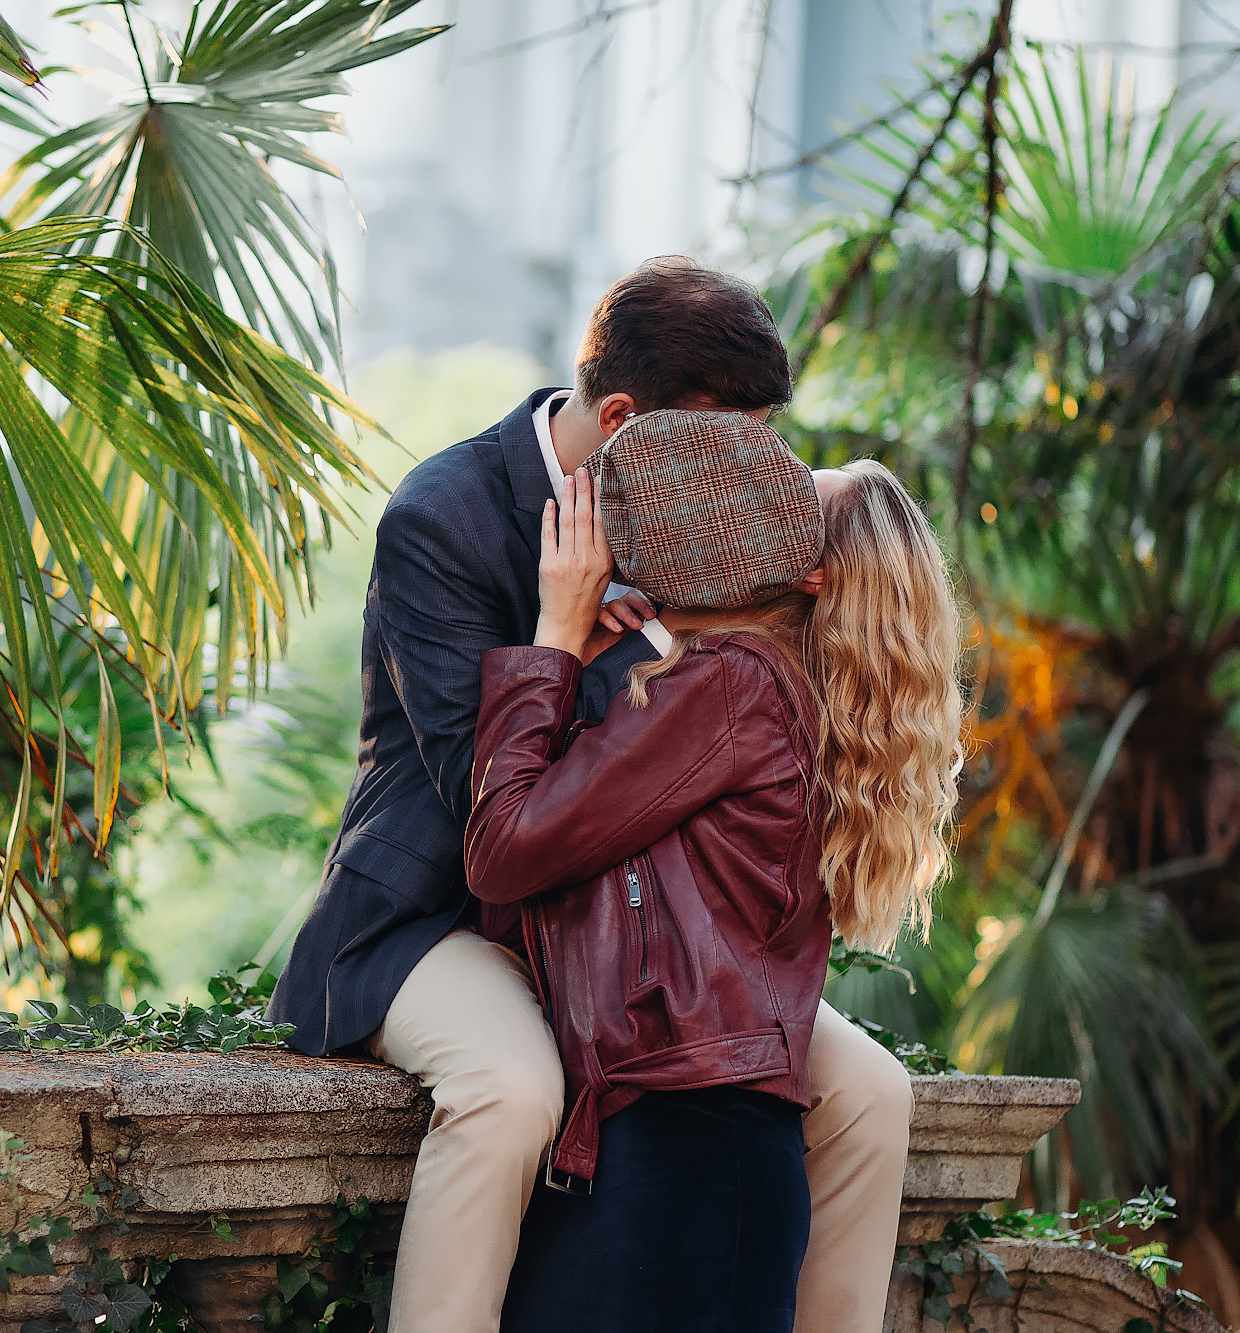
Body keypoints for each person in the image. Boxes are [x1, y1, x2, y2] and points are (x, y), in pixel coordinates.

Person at [267, 257, 917, 1333]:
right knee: (510, 1091)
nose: (748, 474)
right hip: (444, 914)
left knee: (869, 1091)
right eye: (725, 443)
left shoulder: (691, 524)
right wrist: (556, 638)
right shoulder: (446, 514)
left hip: (618, 921)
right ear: (622, 417)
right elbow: (482, 797)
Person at [468, 446, 964, 1331]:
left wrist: (551, 635)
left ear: (811, 571)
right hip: (694, 1152)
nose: (754, 500)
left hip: (681, 1160)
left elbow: (506, 850)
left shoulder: (734, 684)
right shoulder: (780, 690)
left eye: (791, 502)